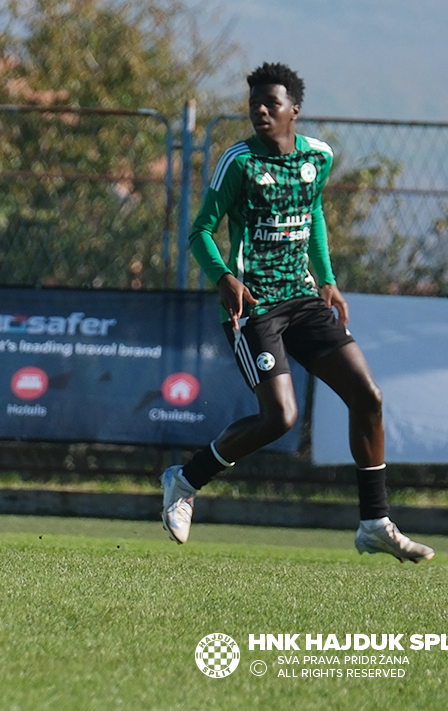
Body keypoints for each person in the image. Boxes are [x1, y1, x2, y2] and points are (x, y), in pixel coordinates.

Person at [163, 62, 433, 561]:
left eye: (271, 103)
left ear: (295, 111)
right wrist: (223, 276)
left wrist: (326, 278)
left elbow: (312, 214)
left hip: (303, 299)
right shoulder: (238, 163)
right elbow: (200, 230)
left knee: (368, 397)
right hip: (254, 308)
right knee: (281, 417)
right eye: (254, 105)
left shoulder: (318, 157)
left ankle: (375, 522)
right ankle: (183, 481)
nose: (260, 111)